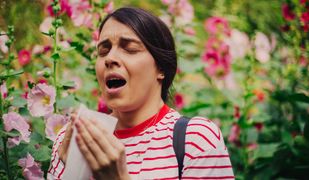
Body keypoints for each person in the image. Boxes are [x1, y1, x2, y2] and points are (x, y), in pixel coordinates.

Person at [47, 7, 234, 180]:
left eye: (130, 49)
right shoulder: (72, 140)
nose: (110, 58)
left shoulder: (196, 140)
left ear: (161, 67)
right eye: (103, 51)